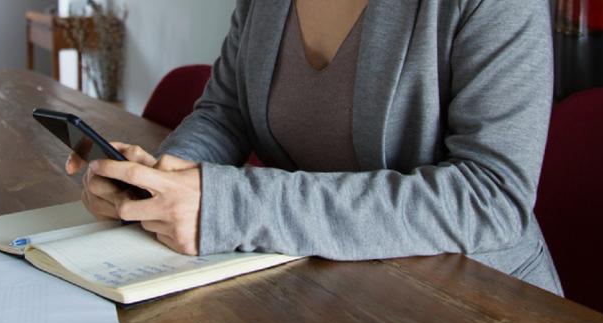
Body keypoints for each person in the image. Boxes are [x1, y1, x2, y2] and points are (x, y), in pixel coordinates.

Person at [66, 0, 563, 295]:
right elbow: (226, 112)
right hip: (317, 286)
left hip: (469, 301)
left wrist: (229, 205)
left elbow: (491, 197)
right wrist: (160, 182)